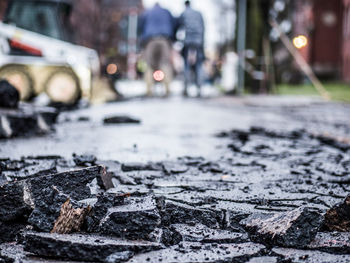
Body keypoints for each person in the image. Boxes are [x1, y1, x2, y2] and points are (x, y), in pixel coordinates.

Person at [138, 3, 176, 97]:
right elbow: (174, 24)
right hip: (164, 40)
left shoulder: (146, 12)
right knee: (165, 63)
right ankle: (167, 89)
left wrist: (141, 42)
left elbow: (140, 26)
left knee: (149, 65)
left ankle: (149, 90)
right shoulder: (166, 12)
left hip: (150, 41)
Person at [177, 0, 205, 97]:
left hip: (188, 42)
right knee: (199, 65)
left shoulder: (183, 14)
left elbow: (179, 28)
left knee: (186, 65)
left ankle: (185, 88)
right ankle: (199, 89)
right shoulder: (199, 14)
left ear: (185, 5)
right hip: (198, 43)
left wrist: (178, 41)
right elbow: (203, 28)